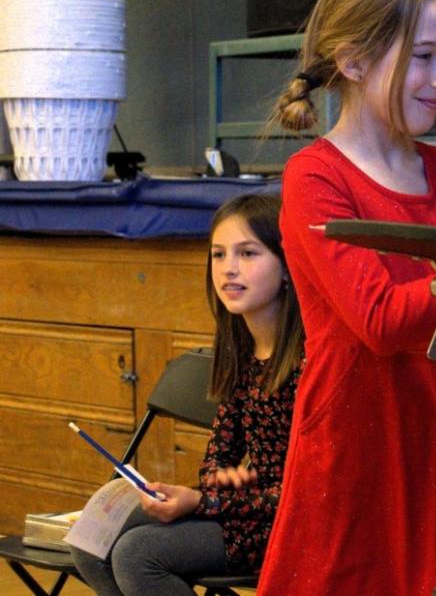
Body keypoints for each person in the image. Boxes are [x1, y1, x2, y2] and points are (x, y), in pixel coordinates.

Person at [256, 0, 436, 595]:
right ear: (351, 61)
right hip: (350, 457)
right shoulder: (315, 177)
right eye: (424, 55)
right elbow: (378, 320)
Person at [70, 193, 304, 596]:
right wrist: (211, 488)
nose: (229, 269)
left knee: (136, 555)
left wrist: (203, 502)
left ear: (286, 267)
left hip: (289, 526)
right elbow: (219, 455)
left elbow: (300, 494)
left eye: (248, 253)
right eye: (218, 254)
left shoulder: (308, 362)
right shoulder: (241, 351)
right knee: (91, 541)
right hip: (245, 512)